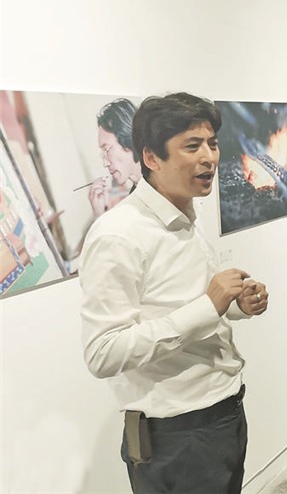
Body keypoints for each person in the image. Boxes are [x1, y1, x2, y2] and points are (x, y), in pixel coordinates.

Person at [80, 92, 269, 494]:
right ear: (151, 157)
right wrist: (209, 306)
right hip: (176, 436)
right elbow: (103, 352)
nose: (209, 157)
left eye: (212, 143)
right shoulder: (118, 235)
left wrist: (237, 305)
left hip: (222, 415)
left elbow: (186, 301)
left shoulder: (185, 216)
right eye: (192, 146)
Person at [89, 98, 143, 218]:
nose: (105, 163)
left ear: (129, 140)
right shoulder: (134, 199)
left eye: (107, 149)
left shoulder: (164, 186)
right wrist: (99, 215)